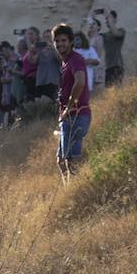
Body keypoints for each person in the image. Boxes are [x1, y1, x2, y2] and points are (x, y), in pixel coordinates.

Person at [54, 22, 91, 178]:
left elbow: (80, 82)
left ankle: (80, 192)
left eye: (64, 40)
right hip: (69, 116)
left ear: (70, 42)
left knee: (73, 161)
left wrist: (69, 107)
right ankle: (69, 192)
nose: (61, 44)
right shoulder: (66, 62)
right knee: (62, 161)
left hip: (77, 114)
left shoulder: (75, 59)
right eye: (58, 41)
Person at [101, 11, 127, 84]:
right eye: (106, 19)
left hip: (117, 65)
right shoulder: (104, 35)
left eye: (109, 18)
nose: (107, 20)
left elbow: (116, 34)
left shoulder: (121, 31)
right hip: (108, 66)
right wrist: (92, 20)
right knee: (109, 92)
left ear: (115, 20)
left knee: (117, 89)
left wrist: (110, 19)